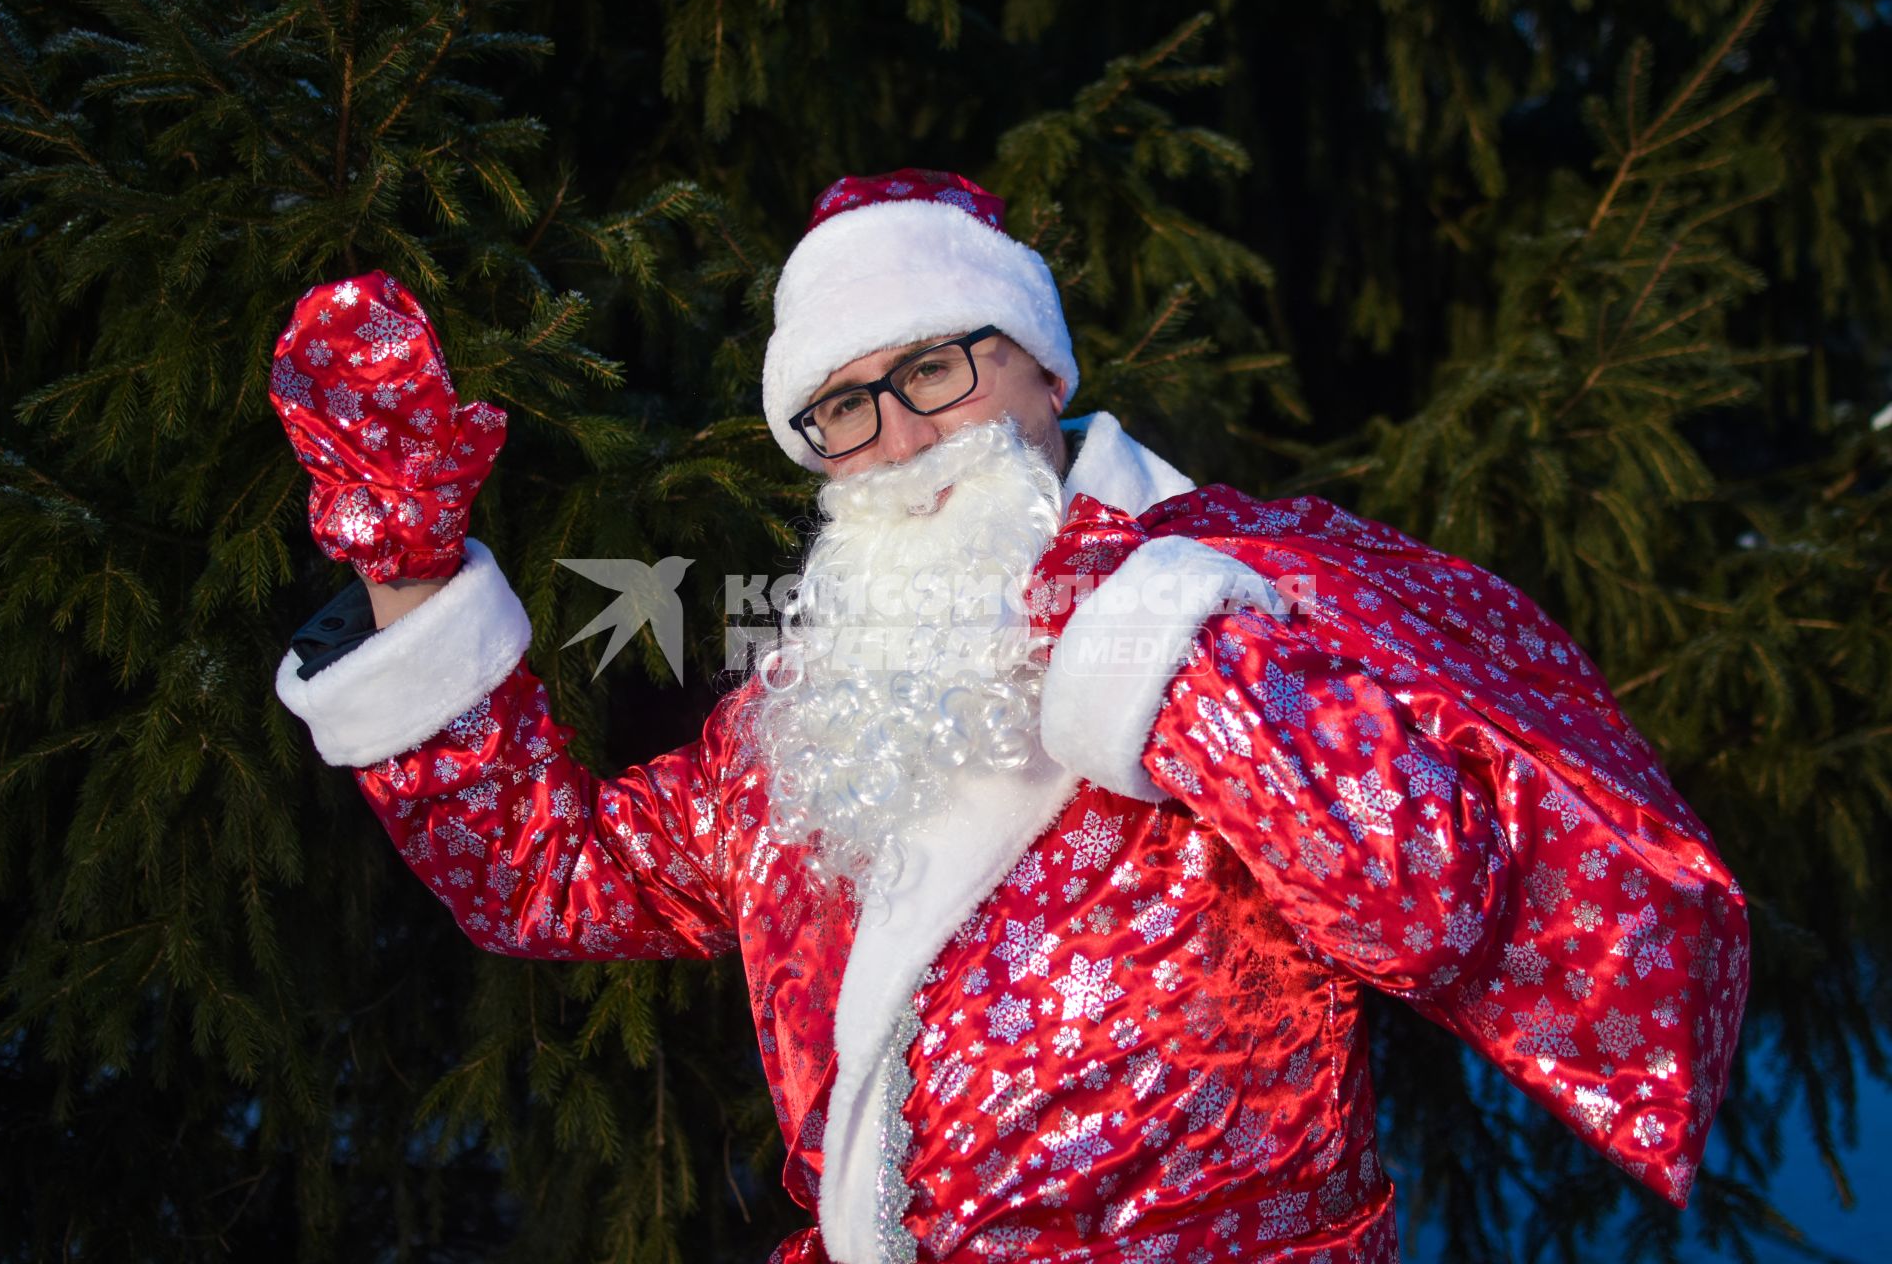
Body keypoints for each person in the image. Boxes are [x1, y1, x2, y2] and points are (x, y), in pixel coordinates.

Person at [271, 169, 1750, 1264]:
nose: (899, 435)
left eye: (931, 366)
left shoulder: (1241, 593)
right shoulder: (809, 712)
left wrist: (1117, 625)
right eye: (842, 408)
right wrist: (406, 573)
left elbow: (1424, 897)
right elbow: (546, 877)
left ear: (1045, 365)